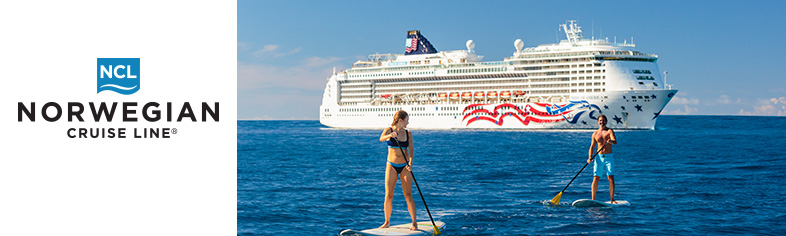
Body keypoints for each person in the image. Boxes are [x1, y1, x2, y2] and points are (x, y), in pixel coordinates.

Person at [378, 110, 417, 231]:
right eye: (406, 120)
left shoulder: (408, 134)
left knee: (408, 195)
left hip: (405, 167)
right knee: (388, 195)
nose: (408, 122)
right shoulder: (389, 130)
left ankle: (414, 223)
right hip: (391, 166)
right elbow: (381, 138)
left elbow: (411, 151)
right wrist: (390, 136)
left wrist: (410, 163)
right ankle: (387, 222)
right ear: (400, 120)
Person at [587, 114, 618, 204]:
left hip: (608, 157)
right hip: (598, 158)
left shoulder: (609, 131)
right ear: (598, 122)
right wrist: (589, 157)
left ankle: (612, 199)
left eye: (603, 120)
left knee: (610, 178)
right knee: (595, 178)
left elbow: (615, 142)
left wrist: (610, 141)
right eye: (600, 120)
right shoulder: (595, 133)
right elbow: (592, 146)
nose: (602, 122)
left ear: (606, 121)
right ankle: (593, 199)